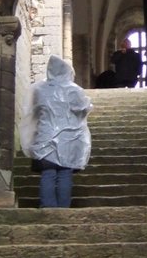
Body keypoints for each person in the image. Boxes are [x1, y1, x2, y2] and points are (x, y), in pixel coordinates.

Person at [19, 55, 92, 208]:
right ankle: (63, 207)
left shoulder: (39, 89)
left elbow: (34, 111)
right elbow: (83, 110)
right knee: (65, 173)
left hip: (45, 137)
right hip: (69, 139)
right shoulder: (74, 90)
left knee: (48, 173)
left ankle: (48, 207)